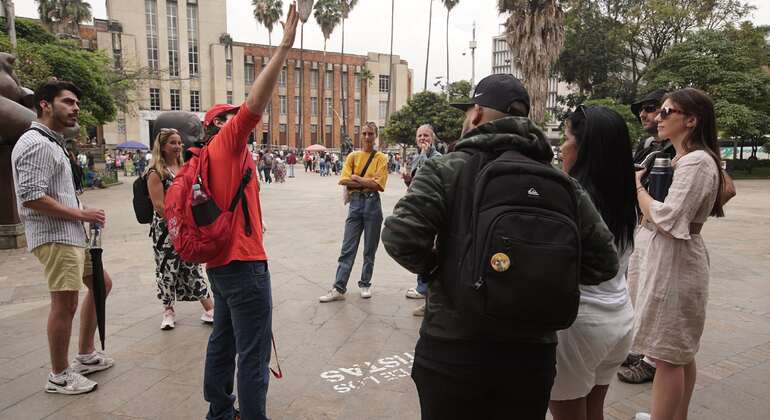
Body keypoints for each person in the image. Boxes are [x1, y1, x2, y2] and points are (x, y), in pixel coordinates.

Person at [380, 74, 619, 420]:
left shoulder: (446, 169)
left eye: (467, 111)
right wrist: (541, 274)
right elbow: (605, 262)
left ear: (477, 113)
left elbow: (400, 236)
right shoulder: (563, 184)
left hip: (454, 345)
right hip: (531, 354)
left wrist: (442, 268)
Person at [196, 6, 297, 420]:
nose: (242, 120)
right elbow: (256, 102)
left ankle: (220, 411)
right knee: (253, 355)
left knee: (222, 341)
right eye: (232, 117)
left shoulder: (205, 156)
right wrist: (284, 47)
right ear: (219, 125)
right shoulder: (227, 143)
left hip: (221, 265)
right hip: (244, 264)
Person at [619, 89, 736, 385]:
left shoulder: (696, 162)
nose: (657, 117)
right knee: (677, 353)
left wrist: (637, 187)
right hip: (668, 255)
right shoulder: (683, 158)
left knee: (667, 356)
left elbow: (669, 218)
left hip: (674, 258)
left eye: (666, 111)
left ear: (691, 120)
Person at [11, 80, 114, 395]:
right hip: (55, 236)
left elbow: (56, 192)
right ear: (45, 104)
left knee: (101, 284)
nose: (75, 108)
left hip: (71, 234)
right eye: (68, 102)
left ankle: (85, 354)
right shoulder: (37, 143)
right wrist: (81, 215)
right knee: (65, 302)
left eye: (76, 103)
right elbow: (31, 196)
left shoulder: (52, 141)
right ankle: (59, 375)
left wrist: (83, 213)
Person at [549, 105, 638, 420]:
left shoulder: (571, 200)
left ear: (585, 148)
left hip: (579, 325)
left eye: (567, 138)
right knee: (593, 408)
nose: (561, 148)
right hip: (619, 317)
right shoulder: (625, 198)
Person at [146, 128, 214, 330]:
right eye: (172, 143)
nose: (177, 146)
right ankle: (168, 311)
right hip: (166, 230)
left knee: (192, 264)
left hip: (186, 225)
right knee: (167, 268)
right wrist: (177, 223)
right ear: (162, 147)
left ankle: (209, 308)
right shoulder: (156, 172)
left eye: (179, 142)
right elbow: (159, 205)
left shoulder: (184, 167)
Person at [319, 122, 389, 302]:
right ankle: (339, 287)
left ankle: (365, 283)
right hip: (356, 204)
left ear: (376, 136)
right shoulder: (353, 156)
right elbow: (343, 180)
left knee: (370, 248)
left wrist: (356, 178)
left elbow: (379, 185)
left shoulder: (381, 158)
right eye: (364, 133)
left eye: (370, 134)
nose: (367, 137)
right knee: (347, 247)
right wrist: (367, 181)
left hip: (373, 204)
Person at [401, 124, 442, 317]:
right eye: (420, 136)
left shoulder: (437, 157)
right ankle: (421, 287)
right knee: (420, 247)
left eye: (426, 135)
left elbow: (429, 177)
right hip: (418, 209)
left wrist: (424, 155)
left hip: (431, 210)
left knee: (429, 250)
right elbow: (417, 182)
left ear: (432, 138)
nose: (423, 138)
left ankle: (426, 291)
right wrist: (408, 180)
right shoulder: (417, 157)